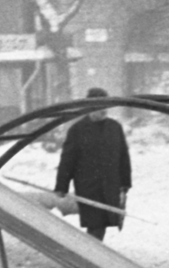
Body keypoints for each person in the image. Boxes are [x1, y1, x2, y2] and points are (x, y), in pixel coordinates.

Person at [53, 88, 130, 241]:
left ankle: (93, 254)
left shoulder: (114, 127)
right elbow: (68, 160)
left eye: (105, 107)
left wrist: (125, 185)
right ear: (89, 108)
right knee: (95, 223)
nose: (103, 111)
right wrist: (62, 186)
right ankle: (92, 257)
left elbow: (123, 157)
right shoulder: (78, 130)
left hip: (110, 184)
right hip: (89, 186)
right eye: (99, 108)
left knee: (104, 222)